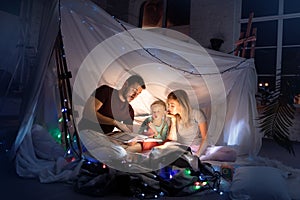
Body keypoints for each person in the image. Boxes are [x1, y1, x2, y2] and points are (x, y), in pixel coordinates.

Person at [78, 74, 146, 134]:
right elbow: (88, 113)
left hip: (105, 137)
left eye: (138, 94)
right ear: (125, 84)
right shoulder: (105, 91)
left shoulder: (129, 110)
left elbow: (128, 131)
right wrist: (114, 122)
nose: (135, 95)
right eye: (134, 90)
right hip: (87, 132)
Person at [166, 89, 208, 157]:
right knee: (166, 147)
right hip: (181, 148)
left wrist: (197, 155)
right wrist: (173, 121)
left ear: (182, 104)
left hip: (196, 148)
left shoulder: (196, 114)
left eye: (172, 106)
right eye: (168, 105)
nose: (169, 108)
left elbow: (205, 138)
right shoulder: (175, 117)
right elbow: (172, 139)